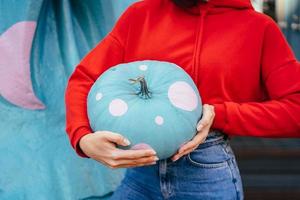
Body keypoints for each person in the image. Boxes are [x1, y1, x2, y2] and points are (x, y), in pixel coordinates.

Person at [65, 0, 300, 199]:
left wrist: (219, 114)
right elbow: (85, 78)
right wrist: (83, 137)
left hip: (206, 173)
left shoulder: (259, 29)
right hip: (140, 172)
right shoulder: (141, 15)